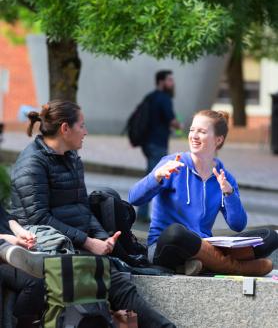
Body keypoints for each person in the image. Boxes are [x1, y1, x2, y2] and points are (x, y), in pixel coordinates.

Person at [10, 100, 176, 328]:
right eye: (82, 125)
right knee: (117, 283)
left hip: (78, 244)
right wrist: (88, 242)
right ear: (65, 129)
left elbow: (83, 208)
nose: (86, 132)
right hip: (49, 247)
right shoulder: (31, 164)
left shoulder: (72, 159)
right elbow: (38, 218)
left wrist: (101, 239)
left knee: (117, 278)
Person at [129, 110, 278, 276]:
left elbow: (238, 225)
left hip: (205, 247)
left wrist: (229, 194)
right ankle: (233, 267)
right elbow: (134, 198)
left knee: (269, 236)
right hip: (166, 247)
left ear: (218, 140)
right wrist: (156, 177)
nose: (194, 135)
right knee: (176, 232)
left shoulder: (224, 177)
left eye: (202, 131)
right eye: (192, 130)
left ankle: (200, 265)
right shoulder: (172, 163)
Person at [138, 70, 182, 222]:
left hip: (147, 143)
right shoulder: (164, 98)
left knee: (152, 175)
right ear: (161, 82)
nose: (172, 83)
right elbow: (172, 120)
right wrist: (179, 125)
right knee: (156, 177)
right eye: (170, 80)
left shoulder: (150, 97)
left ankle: (144, 212)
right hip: (158, 143)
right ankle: (145, 213)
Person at [0, 204, 45, 327]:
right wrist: (7, 238)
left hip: (12, 249)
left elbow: (7, 218)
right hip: (4, 250)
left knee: (37, 282)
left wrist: (21, 232)